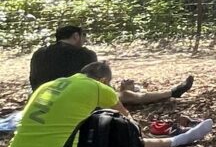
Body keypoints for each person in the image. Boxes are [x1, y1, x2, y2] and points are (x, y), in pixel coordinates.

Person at [6, 62, 212, 147]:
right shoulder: (98, 87)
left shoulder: (48, 85)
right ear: (104, 80)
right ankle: (176, 140)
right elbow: (129, 124)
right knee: (120, 136)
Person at [29, 25, 193, 105]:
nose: (84, 40)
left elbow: (34, 81)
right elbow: (98, 87)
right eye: (83, 36)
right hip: (73, 99)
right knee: (127, 96)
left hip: (42, 99)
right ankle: (171, 92)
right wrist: (110, 77)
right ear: (75, 36)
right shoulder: (85, 54)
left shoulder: (39, 53)